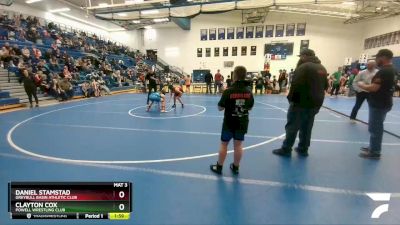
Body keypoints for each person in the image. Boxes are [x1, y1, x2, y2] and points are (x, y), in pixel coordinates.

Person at [272, 49, 328, 157]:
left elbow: (296, 84)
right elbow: (325, 86)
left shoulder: (304, 67)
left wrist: (291, 99)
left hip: (301, 102)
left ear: (305, 56)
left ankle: (286, 148)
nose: (300, 58)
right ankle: (303, 148)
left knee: (292, 126)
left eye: (301, 56)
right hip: (316, 103)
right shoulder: (322, 68)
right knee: (307, 126)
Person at [210, 66, 254, 175]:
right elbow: (250, 107)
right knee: (238, 145)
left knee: (224, 144)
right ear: (245, 76)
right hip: (242, 122)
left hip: (229, 122)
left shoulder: (228, 92)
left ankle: (219, 167)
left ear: (234, 75)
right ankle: (236, 167)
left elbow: (220, 108)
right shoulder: (248, 92)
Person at [357, 49, 397, 159]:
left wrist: (361, 85)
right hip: (385, 101)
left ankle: (375, 152)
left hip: (379, 103)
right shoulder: (393, 70)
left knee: (375, 128)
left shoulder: (384, 71)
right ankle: (373, 147)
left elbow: (374, 88)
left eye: (377, 57)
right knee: (375, 126)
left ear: (383, 57)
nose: (376, 60)